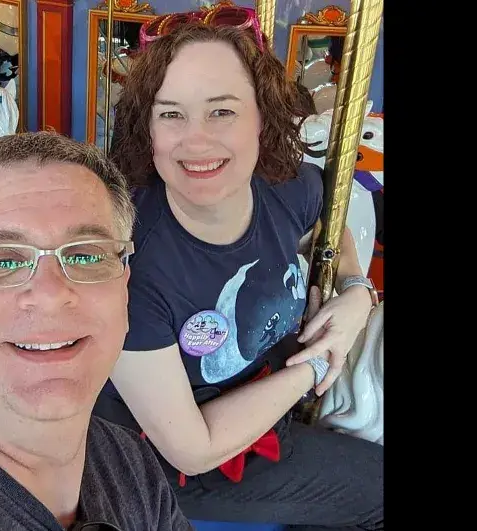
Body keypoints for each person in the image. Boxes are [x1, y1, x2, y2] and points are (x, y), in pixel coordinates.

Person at [94, 10, 383, 530]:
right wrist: (319, 362)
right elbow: (191, 448)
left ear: (262, 118)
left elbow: (329, 225)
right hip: (184, 467)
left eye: (222, 111)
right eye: (172, 114)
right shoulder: (131, 267)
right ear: (148, 129)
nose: (196, 141)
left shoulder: (286, 188)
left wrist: (357, 290)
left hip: (276, 402)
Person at [0, 132, 193, 531]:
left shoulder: (130, 464)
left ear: (124, 289)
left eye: (85, 254)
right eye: (1, 262)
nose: (50, 295)